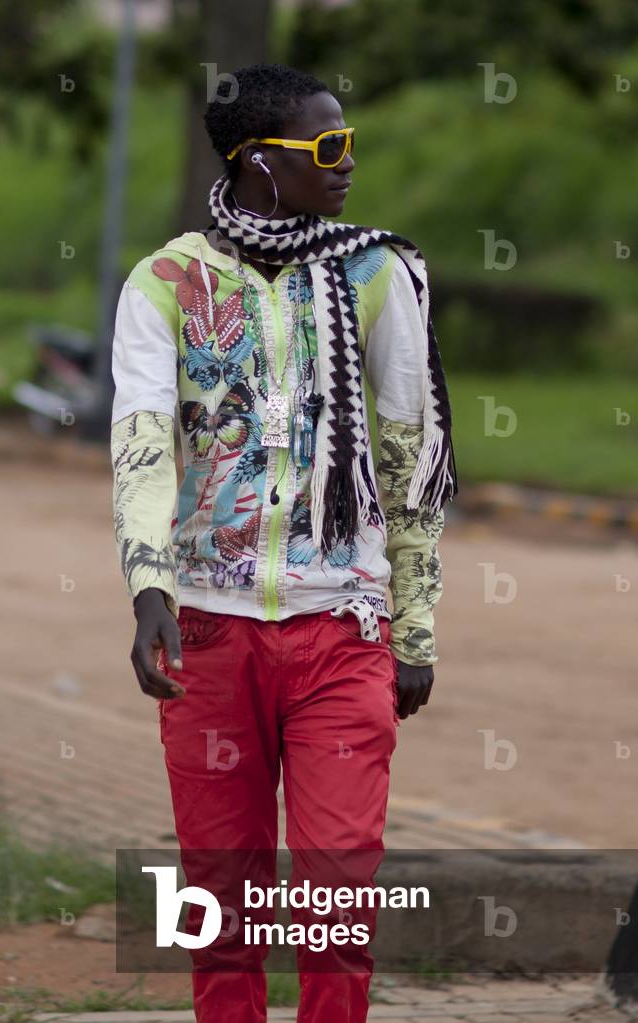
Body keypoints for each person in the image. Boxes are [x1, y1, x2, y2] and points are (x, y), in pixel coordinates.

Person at [109, 62, 457, 1023]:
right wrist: (151, 594)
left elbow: (407, 458)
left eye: (347, 142)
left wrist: (413, 628)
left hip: (342, 629)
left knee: (338, 904)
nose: (348, 164)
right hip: (208, 641)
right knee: (219, 913)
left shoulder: (378, 272)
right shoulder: (166, 283)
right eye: (327, 146)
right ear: (260, 161)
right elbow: (142, 447)